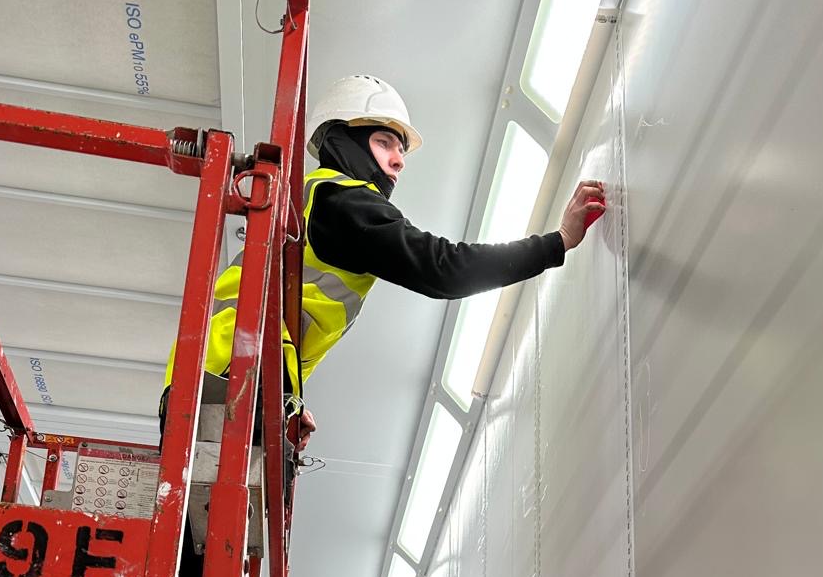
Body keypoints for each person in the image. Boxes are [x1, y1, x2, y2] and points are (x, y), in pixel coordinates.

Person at [161, 74, 606, 436]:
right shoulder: (341, 201)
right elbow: (445, 268)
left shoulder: (310, 203)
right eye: (384, 142)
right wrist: (559, 241)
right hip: (231, 377)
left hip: (218, 375)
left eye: (400, 149)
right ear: (345, 140)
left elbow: (285, 306)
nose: (398, 161)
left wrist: (290, 403)